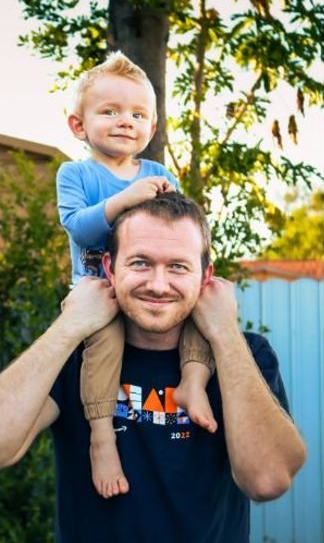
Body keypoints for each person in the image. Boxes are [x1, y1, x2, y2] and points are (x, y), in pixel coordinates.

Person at [0, 192, 307, 543]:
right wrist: (69, 328)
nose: (158, 285)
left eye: (178, 267)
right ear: (109, 267)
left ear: (206, 277)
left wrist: (224, 331)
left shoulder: (245, 355)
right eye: (140, 263)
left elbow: (268, 480)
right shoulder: (74, 357)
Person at [55, 52, 216, 499]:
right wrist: (127, 199)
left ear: (151, 125)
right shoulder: (77, 174)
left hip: (152, 289)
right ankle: (102, 435)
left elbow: (179, 231)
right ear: (78, 125)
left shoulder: (159, 173)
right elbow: (78, 226)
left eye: (138, 114)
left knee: (205, 308)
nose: (125, 121)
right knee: (103, 347)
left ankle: (193, 384)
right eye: (110, 111)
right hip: (97, 290)